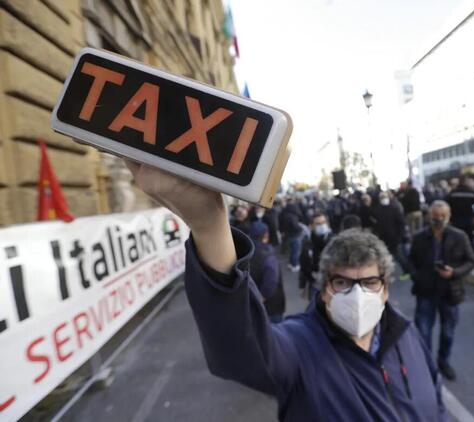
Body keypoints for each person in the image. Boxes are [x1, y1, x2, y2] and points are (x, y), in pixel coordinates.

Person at [126, 161, 447, 421]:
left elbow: (435, 399)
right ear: (324, 290)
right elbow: (243, 349)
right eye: (342, 283)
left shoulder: (406, 333)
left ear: (385, 289)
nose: (358, 295)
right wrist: (210, 227)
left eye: (369, 283)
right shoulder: (299, 346)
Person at [408, 200, 474, 381]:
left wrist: (454, 272)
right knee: (423, 332)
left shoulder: (459, 236)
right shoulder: (419, 237)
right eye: (435, 215)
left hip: (450, 292)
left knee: (448, 332)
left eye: (442, 216)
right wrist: (418, 276)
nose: (438, 219)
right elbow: (410, 262)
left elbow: (472, 260)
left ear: (449, 216)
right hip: (426, 292)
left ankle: (443, 362)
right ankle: (426, 366)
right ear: (429, 215)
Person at [248, 222, 286, 322]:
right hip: (271, 307)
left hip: (251, 302)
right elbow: (271, 283)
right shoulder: (268, 256)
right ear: (266, 235)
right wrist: (262, 298)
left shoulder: (247, 251)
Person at [299, 213, 333, 300]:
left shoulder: (334, 241)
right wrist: (302, 285)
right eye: (318, 224)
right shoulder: (307, 243)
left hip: (333, 284)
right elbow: (303, 265)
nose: (322, 225)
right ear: (311, 226)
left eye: (324, 222)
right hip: (315, 284)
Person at [445, 176, 474, 241]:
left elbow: (447, 205)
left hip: (455, 220)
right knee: (469, 238)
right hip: (468, 219)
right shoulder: (472, 192)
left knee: (457, 239)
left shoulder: (452, 193)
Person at [280, 198, 304, 272]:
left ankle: (291, 264)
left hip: (289, 235)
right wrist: (301, 228)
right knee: (295, 251)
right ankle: (295, 265)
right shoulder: (292, 216)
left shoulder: (285, 214)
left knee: (292, 251)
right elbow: (295, 226)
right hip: (295, 235)